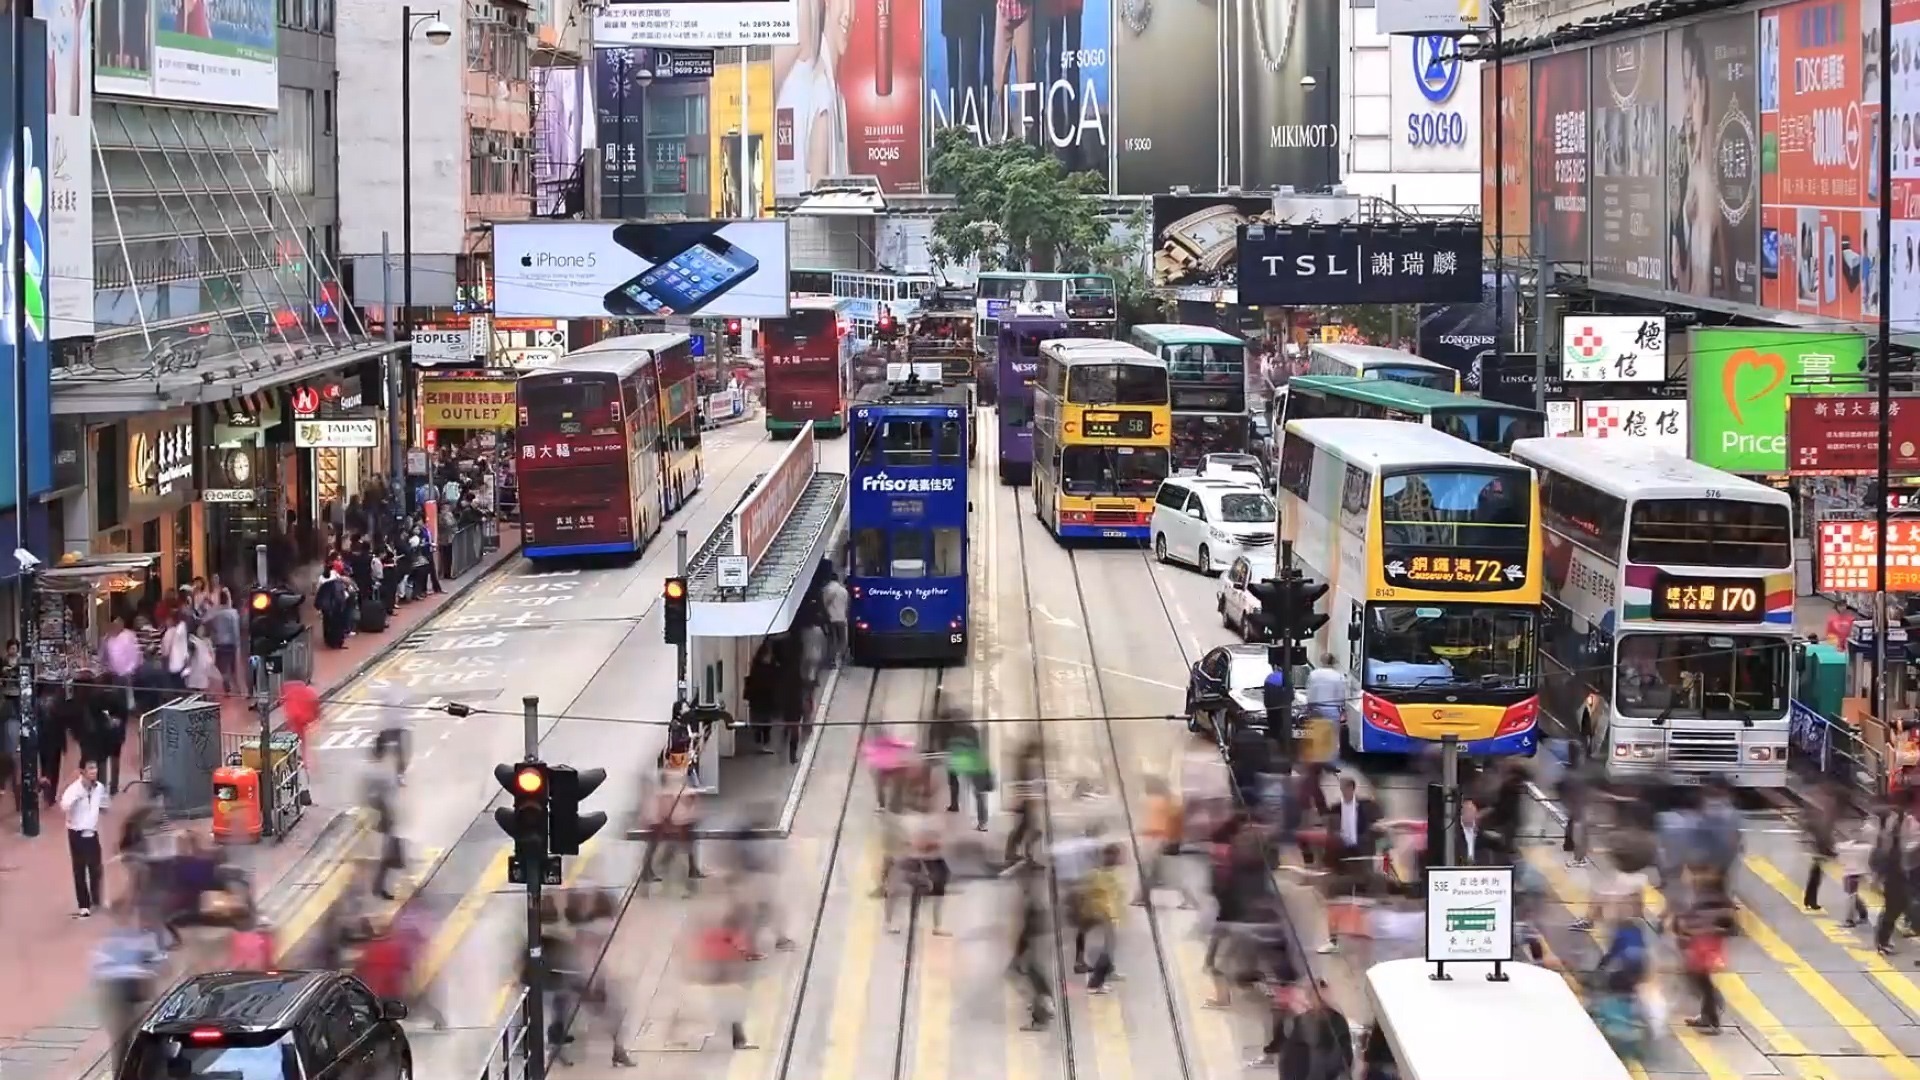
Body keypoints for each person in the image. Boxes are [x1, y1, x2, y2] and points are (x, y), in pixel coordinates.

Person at [61, 760, 110, 916]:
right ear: (82, 772)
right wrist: (76, 798)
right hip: (77, 833)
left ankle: (97, 899)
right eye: (90, 770)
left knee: (96, 868)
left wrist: (103, 807)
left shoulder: (99, 788)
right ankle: (84, 904)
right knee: (79, 869)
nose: (94, 773)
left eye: (95, 769)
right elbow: (64, 805)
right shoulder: (74, 789)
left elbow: (104, 804)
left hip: (92, 832)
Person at [821, 575, 849, 666]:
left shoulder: (826, 590)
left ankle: (832, 659)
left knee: (832, 640)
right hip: (841, 618)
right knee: (842, 640)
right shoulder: (843, 591)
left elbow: (824, 604)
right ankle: (841, 657)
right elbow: (847, 605)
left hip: (830, 619)